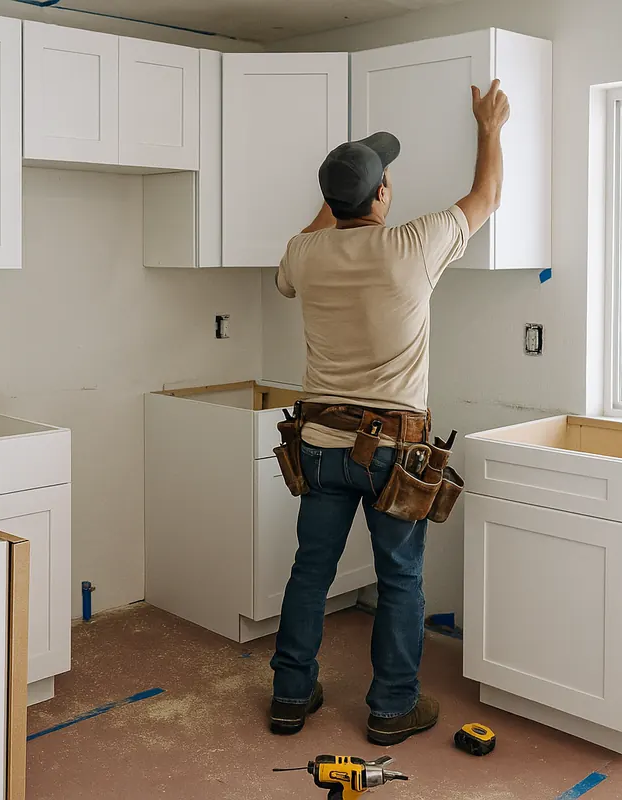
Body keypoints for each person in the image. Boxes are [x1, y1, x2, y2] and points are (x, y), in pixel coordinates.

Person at [268, 80, 511, 746]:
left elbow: (299, 253)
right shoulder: (414, 244)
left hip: (319, 444)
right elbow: (487, 197)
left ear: (330, 201)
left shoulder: (304, 254)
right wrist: (489, 127)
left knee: (309, 571)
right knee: (400, 577)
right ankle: (391, 708)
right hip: (393, 454)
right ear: (382, 194)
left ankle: (290, 696)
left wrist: (335, 198)